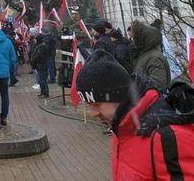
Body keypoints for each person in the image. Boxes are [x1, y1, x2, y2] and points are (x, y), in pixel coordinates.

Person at [75, 49, 194, 180]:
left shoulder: (166, 137)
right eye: (88, 104)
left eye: (96, 104)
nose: (92, 113)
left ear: (118, 96)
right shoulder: (120, 126)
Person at [131, 20, 171, 90]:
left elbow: (158, 87)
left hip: (152, 100)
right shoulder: (142, 56)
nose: (133, 41)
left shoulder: (154, 58)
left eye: (135, 38)